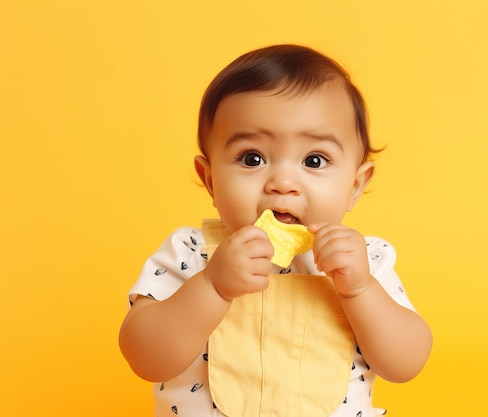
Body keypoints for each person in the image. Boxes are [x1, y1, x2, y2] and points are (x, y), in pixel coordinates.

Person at [119, 44, 432, 417]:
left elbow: (406, 364)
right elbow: (144, 357)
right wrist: (211, 286)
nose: (283, 183)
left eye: (314, 160)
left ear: (355, 186)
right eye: (252, 158)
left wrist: (361, 290)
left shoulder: (367, 261)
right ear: (211, 181)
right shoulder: (190, 252)